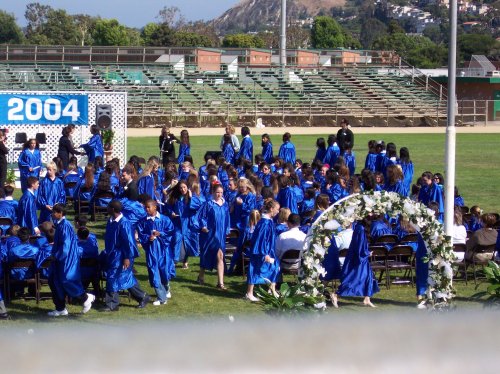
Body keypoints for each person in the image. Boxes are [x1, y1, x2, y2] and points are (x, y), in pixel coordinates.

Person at [47, 204, 95, 316]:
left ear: (60, 213)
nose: (53, 214)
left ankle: (85, 297)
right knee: (55, 282)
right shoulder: (59, 225)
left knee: (66, 280)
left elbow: (66, 246)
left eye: (55, 212)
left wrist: (57, 256)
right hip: (60, 259)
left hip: (66, 259)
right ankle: (60, 308)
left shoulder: (65, 226)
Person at [102, 200, 150, 311]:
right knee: (125, 278)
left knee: (112, 277)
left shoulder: (124, 223)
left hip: (121, 255)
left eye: (108, 207)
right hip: (112, 254)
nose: (107, 208)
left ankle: (112, 304)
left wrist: (127, 257)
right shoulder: (111, 221)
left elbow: (128, 241)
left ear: (113, 209)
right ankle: (142, 296)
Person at [137, 199, 175, 305]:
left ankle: (166, 289)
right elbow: (141, 234)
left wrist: (161, 234)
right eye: (145, 207)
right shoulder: (143, 221)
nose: (146, 209)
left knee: (164, 272)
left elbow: (171, 231)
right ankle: (161, 297)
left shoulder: (165, 219)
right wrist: (148, 238)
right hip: (152, 251)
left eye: (148, 207)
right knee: (154, 272)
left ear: (155, 207)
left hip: (164, 250)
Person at [246, 199, 281, 302]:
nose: (278, 211)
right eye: (277, 209)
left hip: (269, 250)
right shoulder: (265, 223)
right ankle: (249, 292)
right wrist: (264, 253)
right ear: (271, 209)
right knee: (255, 269)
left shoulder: (269, 221)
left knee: (274, 267)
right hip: (261, 251)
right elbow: (261, 239)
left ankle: (272, 289)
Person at [197, 183, 231, 289]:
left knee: (220, 256)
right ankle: (201, 275)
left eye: (221, 192)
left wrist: (227, 229)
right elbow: (201, 216)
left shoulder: (225, 205)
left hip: (220, 235)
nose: (219, 194)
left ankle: (220, 283)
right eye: (217, 192)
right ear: (212, 192)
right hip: (210, 234)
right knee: (206, 254)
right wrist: (203, 226)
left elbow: (227, 218)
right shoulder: (208, 204)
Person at [337, 223, 379, 308]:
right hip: (360, 260)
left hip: (362, 260)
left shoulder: (360, 228)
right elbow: (359, 247)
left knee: (368, 278)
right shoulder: (360, 228)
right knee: (354, 280)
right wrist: (367, 253)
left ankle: (367, 299)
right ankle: (335, 295)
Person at [166, 180, 202, 269]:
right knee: (177, 239)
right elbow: (168, 207)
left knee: (187, 242)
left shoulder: (192, 197)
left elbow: (197, 206)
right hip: (178, 223)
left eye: (184, 187)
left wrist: (190, 198)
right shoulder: (176, 197)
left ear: (188, 188)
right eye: (181, 188)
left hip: (188, 223)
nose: (183, 189)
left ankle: (185, 261)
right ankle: (175, 260)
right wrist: (172, 213)